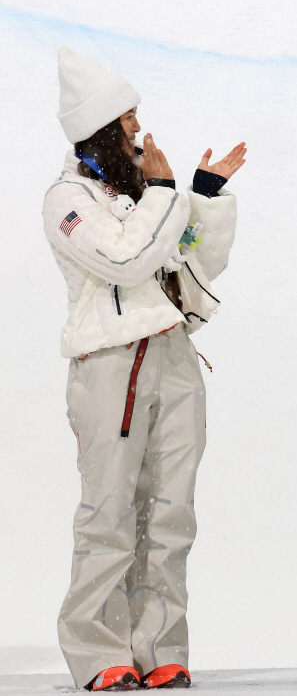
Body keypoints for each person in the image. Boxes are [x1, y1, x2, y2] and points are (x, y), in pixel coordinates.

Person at [43, 47, 247, 690]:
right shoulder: (67, 200)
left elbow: (189, 265)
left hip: (172, 357)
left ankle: (158, 649)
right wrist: (165, 192)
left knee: (169, 512)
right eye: (127, 118)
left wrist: (202, 197)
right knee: (108, 513)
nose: (138, 128)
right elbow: (126, 262)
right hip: (110, 366)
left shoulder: (142, 196)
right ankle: (99, 652)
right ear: (98, 129)